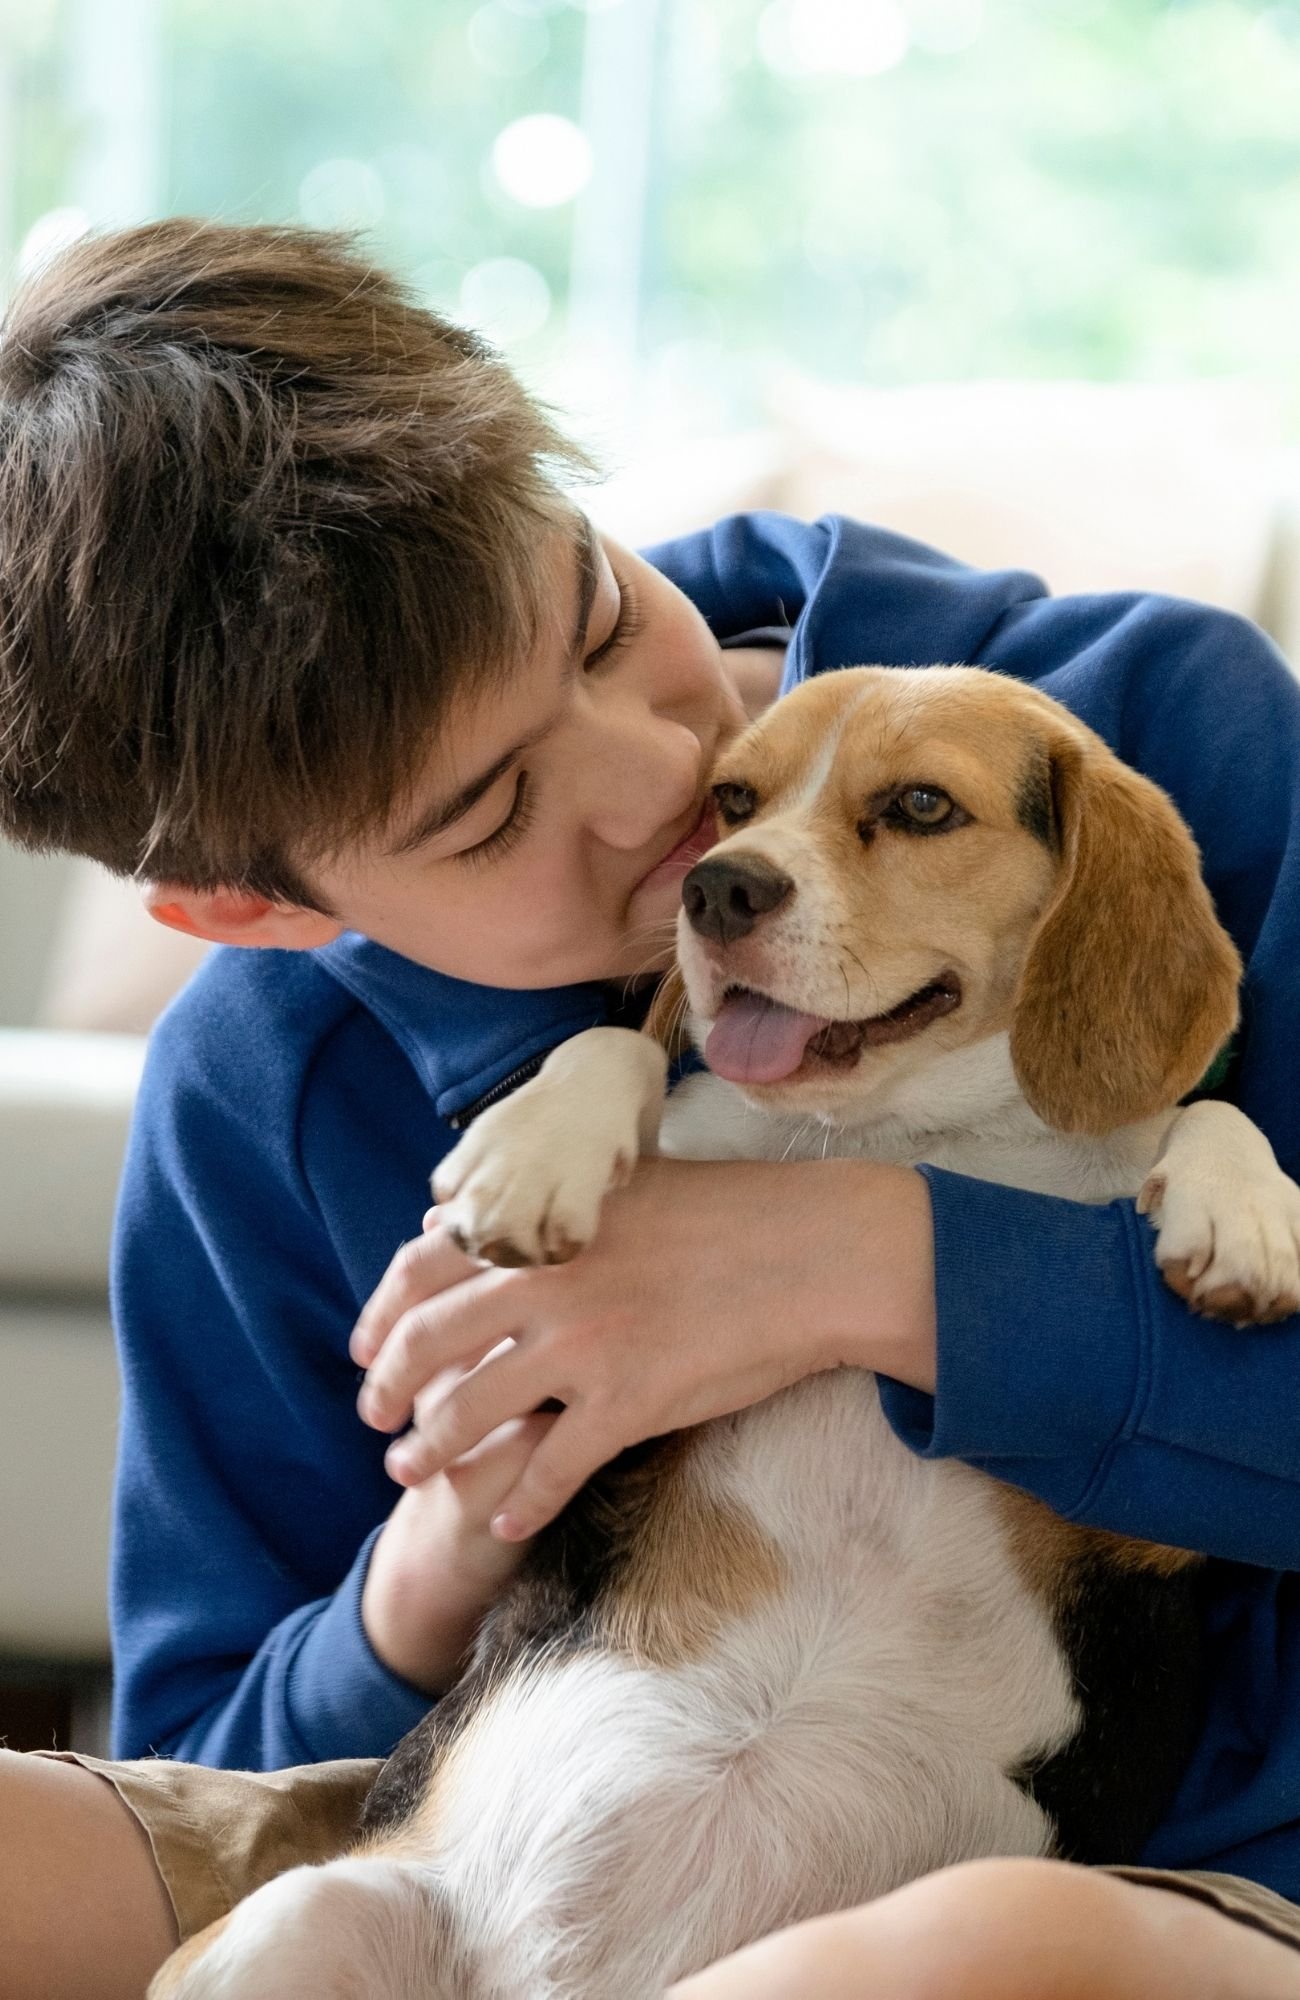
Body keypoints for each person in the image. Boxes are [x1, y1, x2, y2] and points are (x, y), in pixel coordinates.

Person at [0, 219, 1299, 2000]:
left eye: (603, 620)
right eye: (486, 814)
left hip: (1119, 1864)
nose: (665, 792)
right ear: (258, 910)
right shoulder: (261, 1083)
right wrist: (451, 1539)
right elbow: (211, 1751)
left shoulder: (1162, 729)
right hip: (480, 1812)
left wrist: (868, 1265)